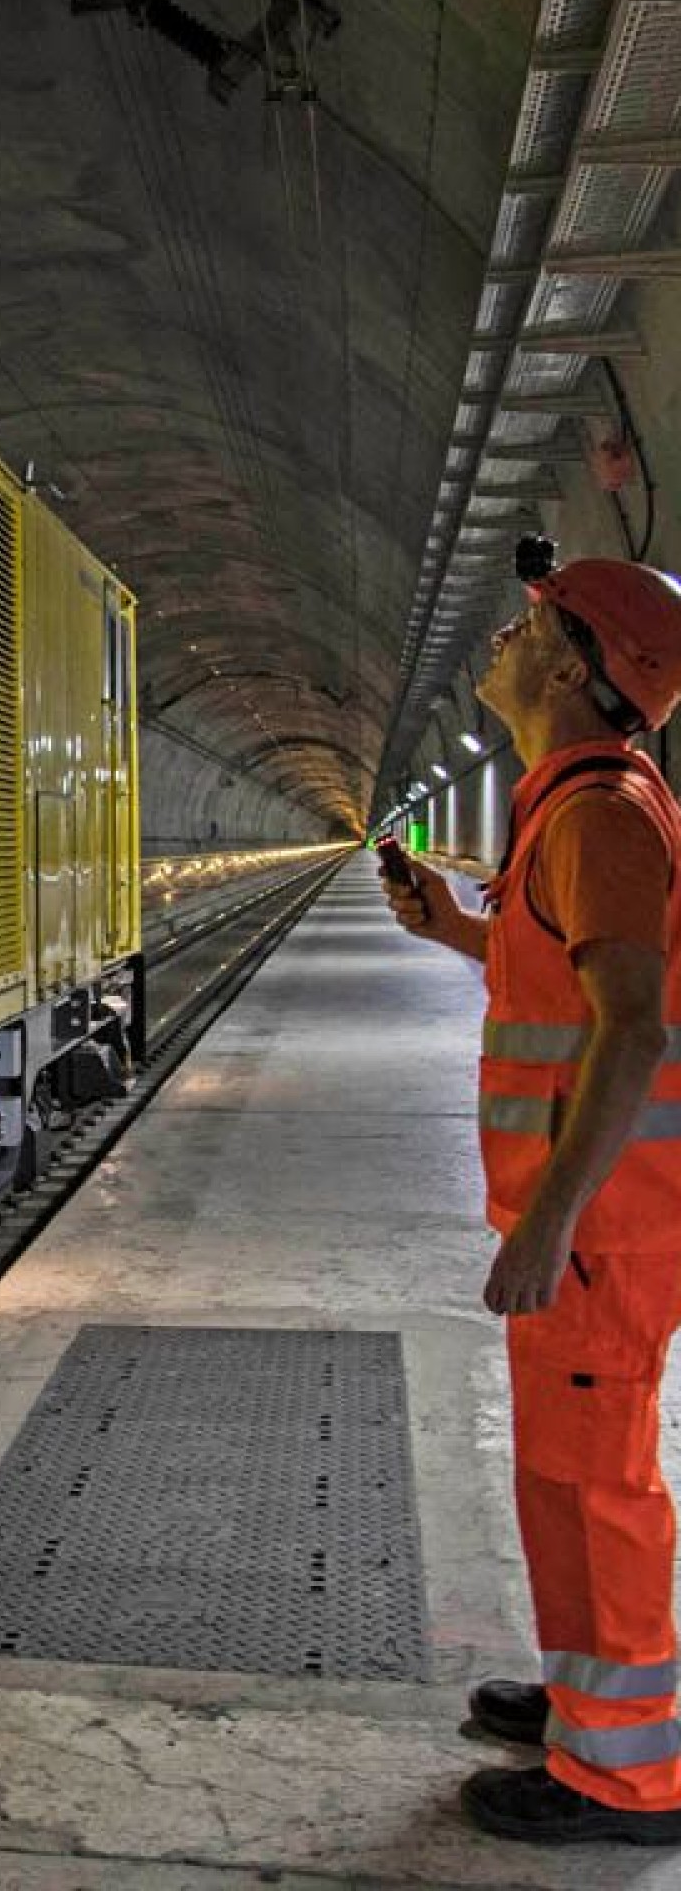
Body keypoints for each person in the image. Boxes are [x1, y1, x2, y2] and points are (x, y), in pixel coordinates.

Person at [383, 549, 681, 1844]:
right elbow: (556, 973)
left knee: (598, 1483)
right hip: (587, 1221)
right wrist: (452, 926)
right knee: (562, 1476)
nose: (501, 639)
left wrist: (553, 1222)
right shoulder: (565, 803)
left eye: (526, 624)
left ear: (571, 665)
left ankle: (628, 1776)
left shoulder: (601, 814)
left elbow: (630, 1032)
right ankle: (583, 1704)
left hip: (605, 1227)